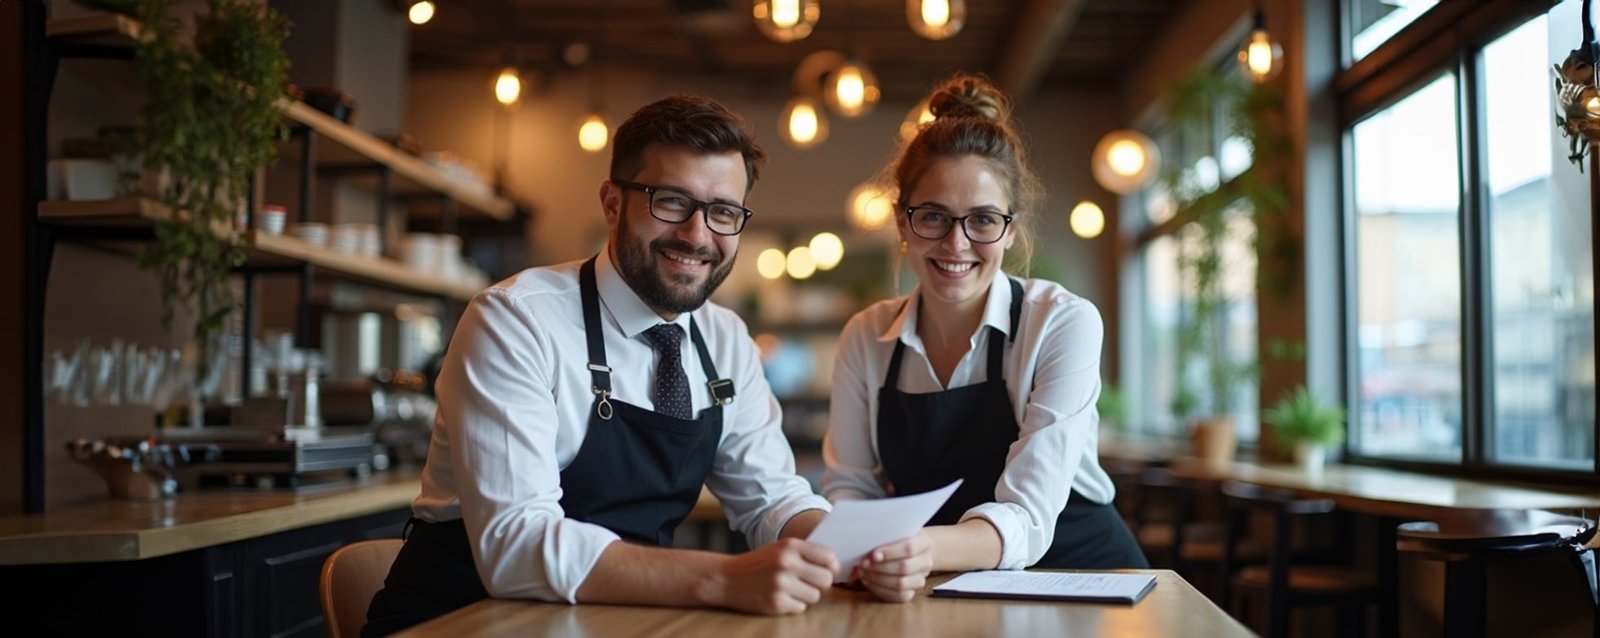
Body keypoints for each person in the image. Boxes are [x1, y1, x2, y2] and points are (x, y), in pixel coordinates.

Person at [365, 95, 843, 636]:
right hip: (462, 621)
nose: (697, 234)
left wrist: (848, 553)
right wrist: (723, 578)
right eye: (671, 201)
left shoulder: (725, 338)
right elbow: (516, 545)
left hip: (613, 622)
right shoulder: (515, 320)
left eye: (723, 212)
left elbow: (773, 500)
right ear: (613, 204)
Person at [821, 73, 1148, 603]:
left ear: (1011, 229)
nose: (957, 243)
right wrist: (870, 552)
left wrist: (906, 549)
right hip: (933, 587)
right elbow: (850, 485)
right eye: (933, 216)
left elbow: (1028, 514)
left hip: (1082, 584)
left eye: (983, 220)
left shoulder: (1061, 323)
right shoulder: (865, 337)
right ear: (901, 222)